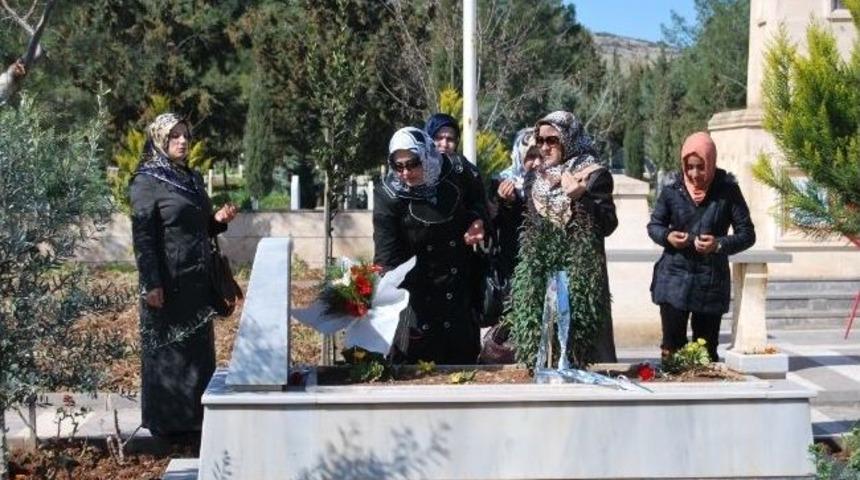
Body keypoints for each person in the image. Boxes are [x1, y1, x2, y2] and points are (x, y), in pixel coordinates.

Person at [129, 113, 238, 437]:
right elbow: (144, 237)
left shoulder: (189, 178)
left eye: (185, 135)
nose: (182, 141)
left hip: (197, 281)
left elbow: (199, 227)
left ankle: (195, 423)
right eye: (174, 136)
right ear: (160, 140)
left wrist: (217, 218)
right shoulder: (146, 181)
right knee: (168, 354)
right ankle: (166, 428)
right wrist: (151, 283)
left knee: (196, 355)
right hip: (168, 283)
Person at [507, 110, 618, 366]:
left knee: (586, 357)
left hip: (582, 279)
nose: (544, 147)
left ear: (569, 139)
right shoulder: (535, 177)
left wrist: (582, 197)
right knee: (543, 355)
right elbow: (528, 228)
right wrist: (506, 205)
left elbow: (609, 224)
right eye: (540, 141)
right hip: (543, 279)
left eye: (552, 140)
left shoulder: (594, 175)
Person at [373, 126, 488, 364]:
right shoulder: (389, 196)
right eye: (398, 166)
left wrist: (477, 220)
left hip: (458, 290)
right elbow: (386, 257)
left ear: (425, 154)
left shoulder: (455, 169)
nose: (406, 173)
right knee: (416, 373)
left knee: (462, 369)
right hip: (417, 296)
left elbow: (478, 199)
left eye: (413, 163)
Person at [648, 131, 755, 362]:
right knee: (672, 350)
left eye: (700, 167)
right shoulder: (671, 189)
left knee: (705, 352)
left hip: (710, 282)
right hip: (673, 279)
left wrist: (718, 244)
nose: (694, 174)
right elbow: (654, 225)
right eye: (689, 167)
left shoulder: (728, 191)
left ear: (711, 161)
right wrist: (668, 237)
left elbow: (747, 234)